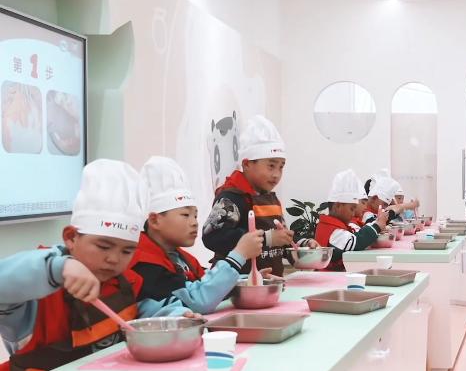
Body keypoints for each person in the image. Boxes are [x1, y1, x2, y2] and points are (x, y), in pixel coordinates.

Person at [0, 160, 192, 371]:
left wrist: (175, 316)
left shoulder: (124, 282)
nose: (114, 259)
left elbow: (141, 314)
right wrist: (58, 268)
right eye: (103, 246)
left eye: (127, 251)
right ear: (71, 237)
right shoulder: (36, 294)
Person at [131, 156, 265, 314]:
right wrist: (239, 254)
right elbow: (198, 300)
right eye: (185, 215)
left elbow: (203, 284)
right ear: (155, 220)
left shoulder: (182, 259)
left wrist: (250, 279)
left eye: (195, 215)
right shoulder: (144, 263)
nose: (194, 222)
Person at [202, 115, 319, 277]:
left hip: (270, 283)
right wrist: (267, 238)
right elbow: (212, 237)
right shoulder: (231, 197)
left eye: (281, 167)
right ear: (247, 164)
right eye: (271, 166)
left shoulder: (272, 199)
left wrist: (302, 244)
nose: (276, 174)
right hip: (236, 285)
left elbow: (280, 239)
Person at [316, 169, 389, 271]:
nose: (353, 213)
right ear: (337, 206)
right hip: (328, 276)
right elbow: (356, 242)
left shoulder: (335, 225)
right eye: (352, 209)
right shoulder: (332, 230)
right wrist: (377, 226)